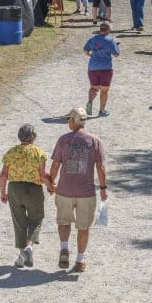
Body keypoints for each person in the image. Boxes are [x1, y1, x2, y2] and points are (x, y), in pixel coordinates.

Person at [49, 108, 108, 273]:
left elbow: (55, 165)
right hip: (86, 192)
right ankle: (80, 260)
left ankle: (64, 247)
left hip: (64, 190)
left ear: (73, 121)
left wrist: (50, 183)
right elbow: (100, 167)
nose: (68, 122)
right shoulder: (95, 140)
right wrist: (103, 188)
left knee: (64, 221)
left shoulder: (63, 140)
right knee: (83, 227)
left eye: (69, 119)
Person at [0, 124, 51, 269]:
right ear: (33, 137)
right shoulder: (38, 152)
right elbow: (43, 176)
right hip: (34, 189)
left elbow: (3, 175)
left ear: (19, 136)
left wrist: (3, 192)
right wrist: (51, 187)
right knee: (36, 218)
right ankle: (29, 247)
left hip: (15, 188)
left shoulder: (11, 152)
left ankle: (21, 257)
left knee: (19, 221)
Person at [84, 22, 121, 117]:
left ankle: (90, 101)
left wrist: (92, 55)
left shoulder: (92, 38)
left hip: (92, 68)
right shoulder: (110, 40)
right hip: (106, 68)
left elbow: (85, 51)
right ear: (108, 30)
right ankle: (102, 111)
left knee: (94, 88)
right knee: (104, 90)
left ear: (101, 29)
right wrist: (117, 46)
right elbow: (116, 54)